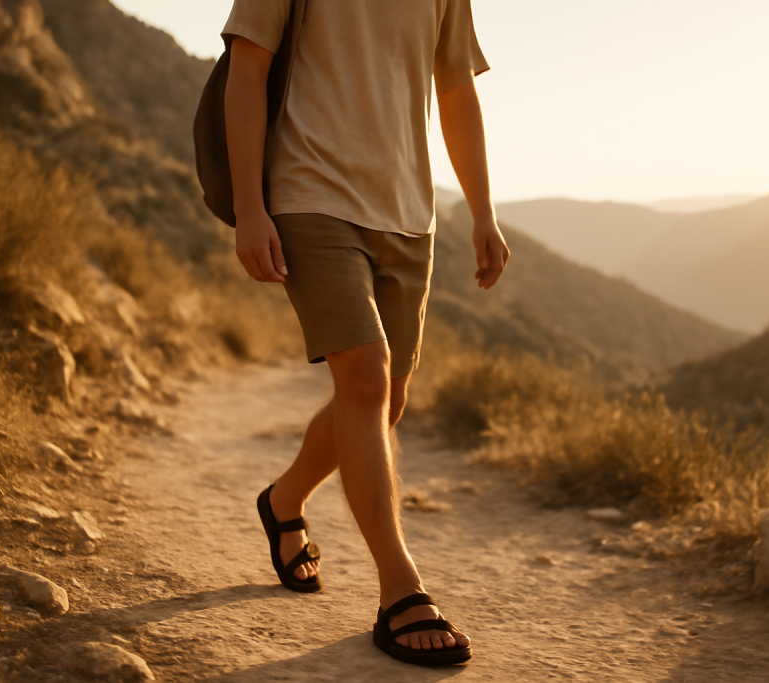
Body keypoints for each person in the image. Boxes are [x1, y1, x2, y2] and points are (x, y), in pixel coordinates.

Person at [221, 0, 509, 666]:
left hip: (409, 214)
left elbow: (456, 87)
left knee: (389, 398)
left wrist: (484, 213)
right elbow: (247, 67)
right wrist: (249, 208)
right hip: (310, 193)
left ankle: (283, 499)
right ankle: (399, 587)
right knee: (366, 370)